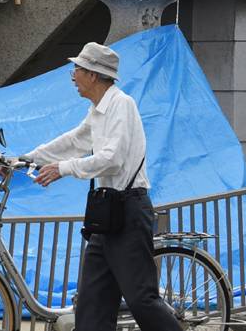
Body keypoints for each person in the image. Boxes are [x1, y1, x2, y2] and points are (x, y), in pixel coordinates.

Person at [22, 42, 181, 331]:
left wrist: (63, 168)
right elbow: (74, 141)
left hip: (128, 211)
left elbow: (113, 160)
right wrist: (28, 157)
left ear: (93, 75)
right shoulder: (98, 110)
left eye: (77, 70)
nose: (73, 76)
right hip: (106, 214)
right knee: (92, 302)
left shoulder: (122, 105)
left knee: (141, 298)